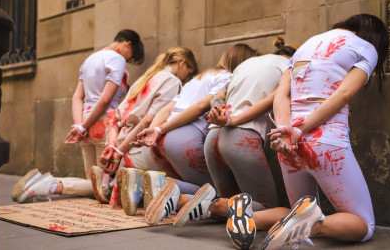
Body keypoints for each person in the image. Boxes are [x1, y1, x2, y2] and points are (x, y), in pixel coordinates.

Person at [250, 14, 389, 249]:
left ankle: (249, 219)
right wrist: (299, 130)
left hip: (288, 145)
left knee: (300, 209)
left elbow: (282, 95)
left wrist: (287, 130)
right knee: (363, 224)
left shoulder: (304, 46)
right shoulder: (366, 47)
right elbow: (344, 94)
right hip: (326, 144)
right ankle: (310, 226)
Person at [147, 38, 295, 243]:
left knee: (233, 203)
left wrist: (222, 117)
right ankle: (211, 203)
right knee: (270, 209)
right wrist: (237, 120)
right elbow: (275, 99)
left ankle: (180, 199)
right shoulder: (289, 67)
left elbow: (217, 98)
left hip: (214, 137)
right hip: (242, 137)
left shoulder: (244, 66)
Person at [11, 29, 144, 203]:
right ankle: (48, 185)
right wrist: (83, 125)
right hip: (105, 122)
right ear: (128, 43)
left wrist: (79, 125)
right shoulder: (117, 59)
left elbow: (77, 97)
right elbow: (105, 99)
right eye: (130, 55)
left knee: (93, 183)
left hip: (86, 120)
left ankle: (44, 183)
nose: (127, 59)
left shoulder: (89, 60)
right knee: (104, 187)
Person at [134, 44, 259, 225]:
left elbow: (168, 108)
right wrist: (160, 130)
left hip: (163, 138)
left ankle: (147, 183)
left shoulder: (197, 78)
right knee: (215, 192)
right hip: (184, 138)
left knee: (203, 188)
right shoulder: (227, 77)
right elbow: (201, 107)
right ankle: (162, 185)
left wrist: (155, 130)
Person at [93, 47, 198, 214]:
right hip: (135, 149)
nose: (187, 78)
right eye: (189, 73)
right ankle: (135, 184)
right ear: (183, 64)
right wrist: (120, 151)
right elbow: (149, 120)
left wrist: (114, 148)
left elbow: (118, 118)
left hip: (123, 145)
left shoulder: (145, 78)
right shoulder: (172, 81)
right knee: (179, 180)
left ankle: (111, 183)